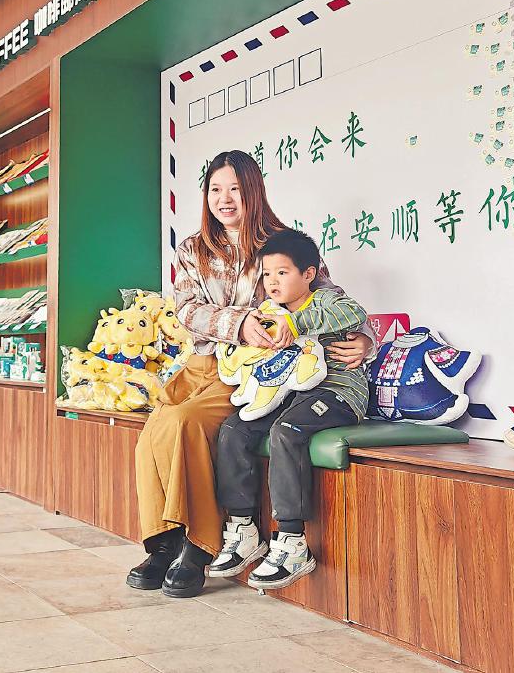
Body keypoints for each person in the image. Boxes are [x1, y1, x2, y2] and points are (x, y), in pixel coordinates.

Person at [129, 150, 373, 598]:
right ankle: (164, 543)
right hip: (202, 365)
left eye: (235, 189)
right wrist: (238, 322)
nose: (225, 199)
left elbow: (330, 299)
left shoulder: (281, 243)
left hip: (253, 373)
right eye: (215, 189)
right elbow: (186, 310)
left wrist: (365, 341)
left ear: (254, 192)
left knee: (184, 424)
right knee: (153, 433)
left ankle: (200, 545)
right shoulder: (193, 249)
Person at [209, 230, 369, 589]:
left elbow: (353, 312)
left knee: (287, 430)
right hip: (290, 392)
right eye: (267, 274)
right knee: (233, 429)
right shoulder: (269, 312)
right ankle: (243, 529)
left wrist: (295, 324)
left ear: (308, 273)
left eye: (282, 272)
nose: (272, 281)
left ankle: (293, 541)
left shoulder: (326, 298)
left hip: (338, 392)